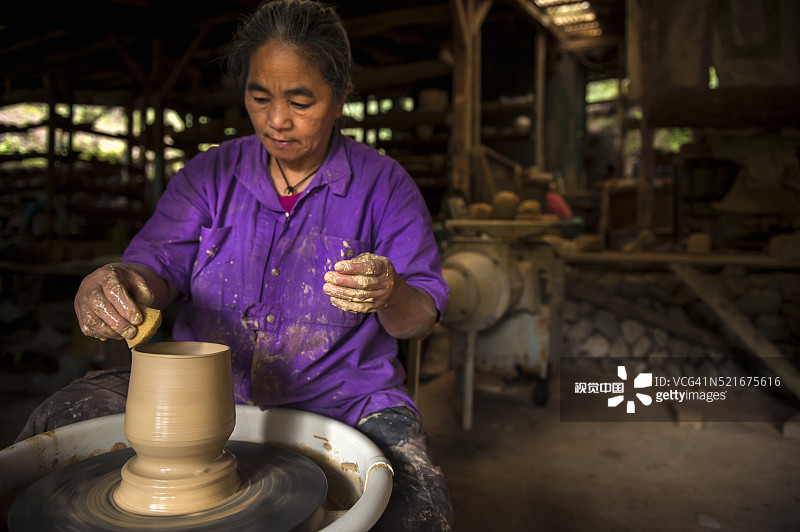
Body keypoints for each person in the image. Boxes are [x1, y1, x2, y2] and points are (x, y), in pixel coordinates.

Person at [16, 1, 454, 529]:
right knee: (54, 429)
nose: (276, 120)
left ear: (341, 97)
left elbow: (418, 319)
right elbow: (155, 268)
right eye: (259, 97)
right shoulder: (210, 175)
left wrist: (390, 291)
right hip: (201, 394)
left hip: (345, 401)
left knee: (417, 507)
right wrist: (120, 284)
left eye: (301, 101)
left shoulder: (384, 185)